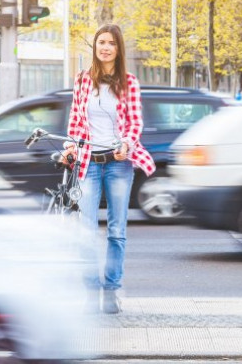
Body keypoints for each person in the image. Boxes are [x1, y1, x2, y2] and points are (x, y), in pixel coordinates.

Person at [63, 23, 156, 314]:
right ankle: (91, 291)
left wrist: (127, 144)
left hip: (118, 165)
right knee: (86, 230)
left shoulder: (129, 82)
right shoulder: (82, 80)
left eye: (111, 43)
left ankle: (111, 291)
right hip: (89, 163)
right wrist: (70, 147)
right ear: (95, 46)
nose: (105, 47)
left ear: (118, 49)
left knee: (116, 231)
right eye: (101, 42)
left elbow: (135, 123)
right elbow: (76, 121)